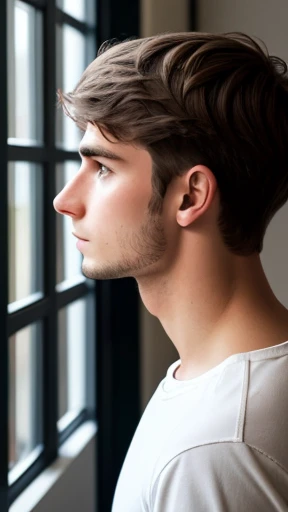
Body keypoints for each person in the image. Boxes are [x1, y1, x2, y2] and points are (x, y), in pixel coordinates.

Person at [53, 31, 288, 511]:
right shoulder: (219, 387)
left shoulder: (214, 451)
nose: (64, 201)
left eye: (103, 168)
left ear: (190, 196)